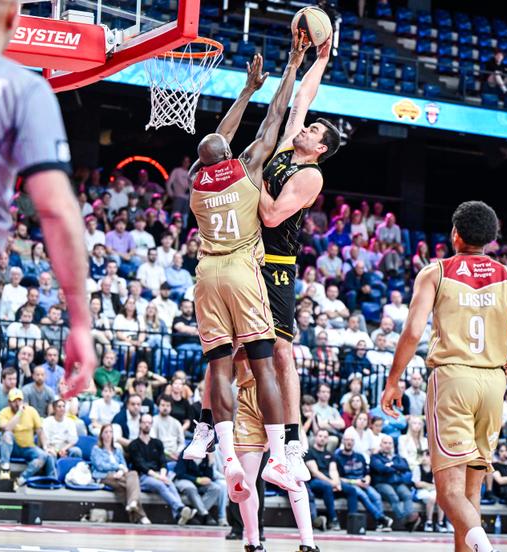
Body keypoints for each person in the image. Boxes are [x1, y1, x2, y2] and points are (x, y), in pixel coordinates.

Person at [180, 45, 313, 501]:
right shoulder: (247, 169)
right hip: (241, 269)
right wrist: (288, 70)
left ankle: (225, 456)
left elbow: (216, 140)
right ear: (229, 155)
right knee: (263, 363)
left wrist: (243, 90)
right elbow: (274, 118)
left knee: (218, 367)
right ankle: (278, 455)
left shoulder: (196, 182)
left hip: (206, 274)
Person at [381, 201, 507, 552]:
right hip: (493, 383)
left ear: (455, 234)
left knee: (447, 494)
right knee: (471, 492)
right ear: (491, 239)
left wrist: (394, 380)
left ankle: (486, 548)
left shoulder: (436, 272)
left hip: (453, 379)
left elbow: (413, 331)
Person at [231, 350, 320, 552]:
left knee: (293, 471)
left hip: (279, 395)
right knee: (246, 479)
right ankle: (253, 542)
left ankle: (308, 542)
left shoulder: (282, 325)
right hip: (248, 398)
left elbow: (285, 353)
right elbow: (230, 357)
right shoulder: (241, 320)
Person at [129, 413, 195, 525]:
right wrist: (159, 477)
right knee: (160, 484)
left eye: (149, 423)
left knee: (169, 483)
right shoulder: (134, 445)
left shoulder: (157, 443)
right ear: (140, 424)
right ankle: (180, 508)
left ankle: (178, 515)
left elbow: (163, 462)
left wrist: (163, 476)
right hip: (143, 477)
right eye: (144, 422)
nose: (146, 425)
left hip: (160, 474)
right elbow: (141, 466)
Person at [91, 424, 150, 524]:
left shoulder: (117, 449)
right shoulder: (96, 449)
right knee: (129, 485)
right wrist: (117, 467)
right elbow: (100, 466)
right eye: (106, 432)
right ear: (101, 435)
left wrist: (121, 471)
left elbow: (123, 464)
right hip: (103, 476)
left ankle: (133, 504)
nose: (109, 434)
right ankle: (140, 515)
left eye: (110, 432)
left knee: (133, 474)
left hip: (119, 475)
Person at [0, 389, 55, 486]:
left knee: (43, 455)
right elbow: (7, 428)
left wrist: (45, 446)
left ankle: (21, 479)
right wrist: (19, 413)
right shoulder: (4, 412)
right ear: (9, 402)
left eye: (19, 400)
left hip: (28, 447)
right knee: (7, 434)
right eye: (14, 401)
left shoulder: (31, 411)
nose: (17, 403)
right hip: (12, 449)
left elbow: (40, 431)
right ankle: (5, 468)